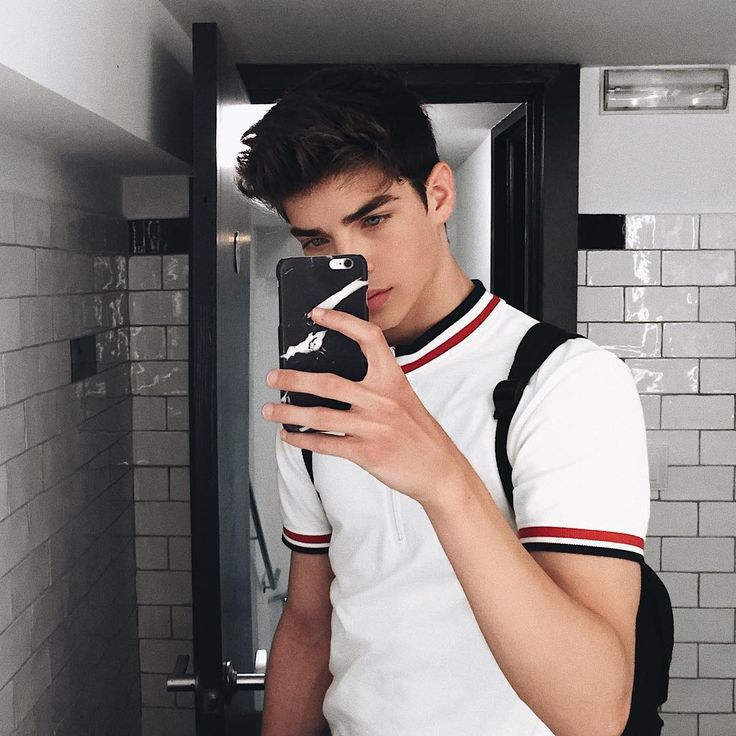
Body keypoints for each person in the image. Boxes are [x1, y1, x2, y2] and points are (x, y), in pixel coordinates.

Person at [236, 66, 650, 736]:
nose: (354, 263)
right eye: (317, 240)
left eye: (374, 219)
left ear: (437, 194)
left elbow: (595, 711)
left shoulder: (563, 382)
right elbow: (310, 624)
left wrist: (441, 477)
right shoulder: (321, 396)